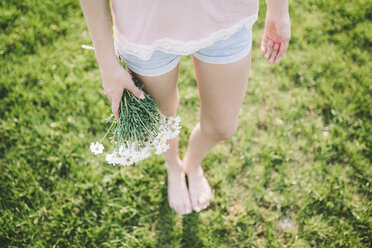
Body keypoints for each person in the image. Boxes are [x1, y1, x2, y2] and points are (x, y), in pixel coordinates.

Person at [79, 0, 291, 215]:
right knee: (161, 122)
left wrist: (278, 10)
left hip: (227, 14)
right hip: (145, 23)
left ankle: (192, 163)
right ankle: (173, 166)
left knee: (222, 127)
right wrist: (106, 62)